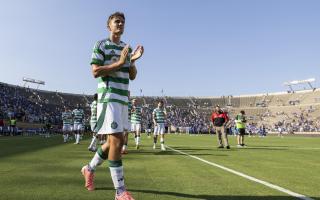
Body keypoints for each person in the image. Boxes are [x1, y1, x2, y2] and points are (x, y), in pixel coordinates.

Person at [81, 12, 144, 200]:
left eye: (123, 22)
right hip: (108, 99)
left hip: (122, 99)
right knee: (117, 141)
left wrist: (131, 61)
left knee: (111, 142)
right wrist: (119, 61)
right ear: (109, 26)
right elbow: (95, 71)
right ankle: (120, 191)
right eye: (117, 21)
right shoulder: (101, 45)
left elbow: (132, 76)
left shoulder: (127, 47)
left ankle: (89, 168)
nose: (120, 24)